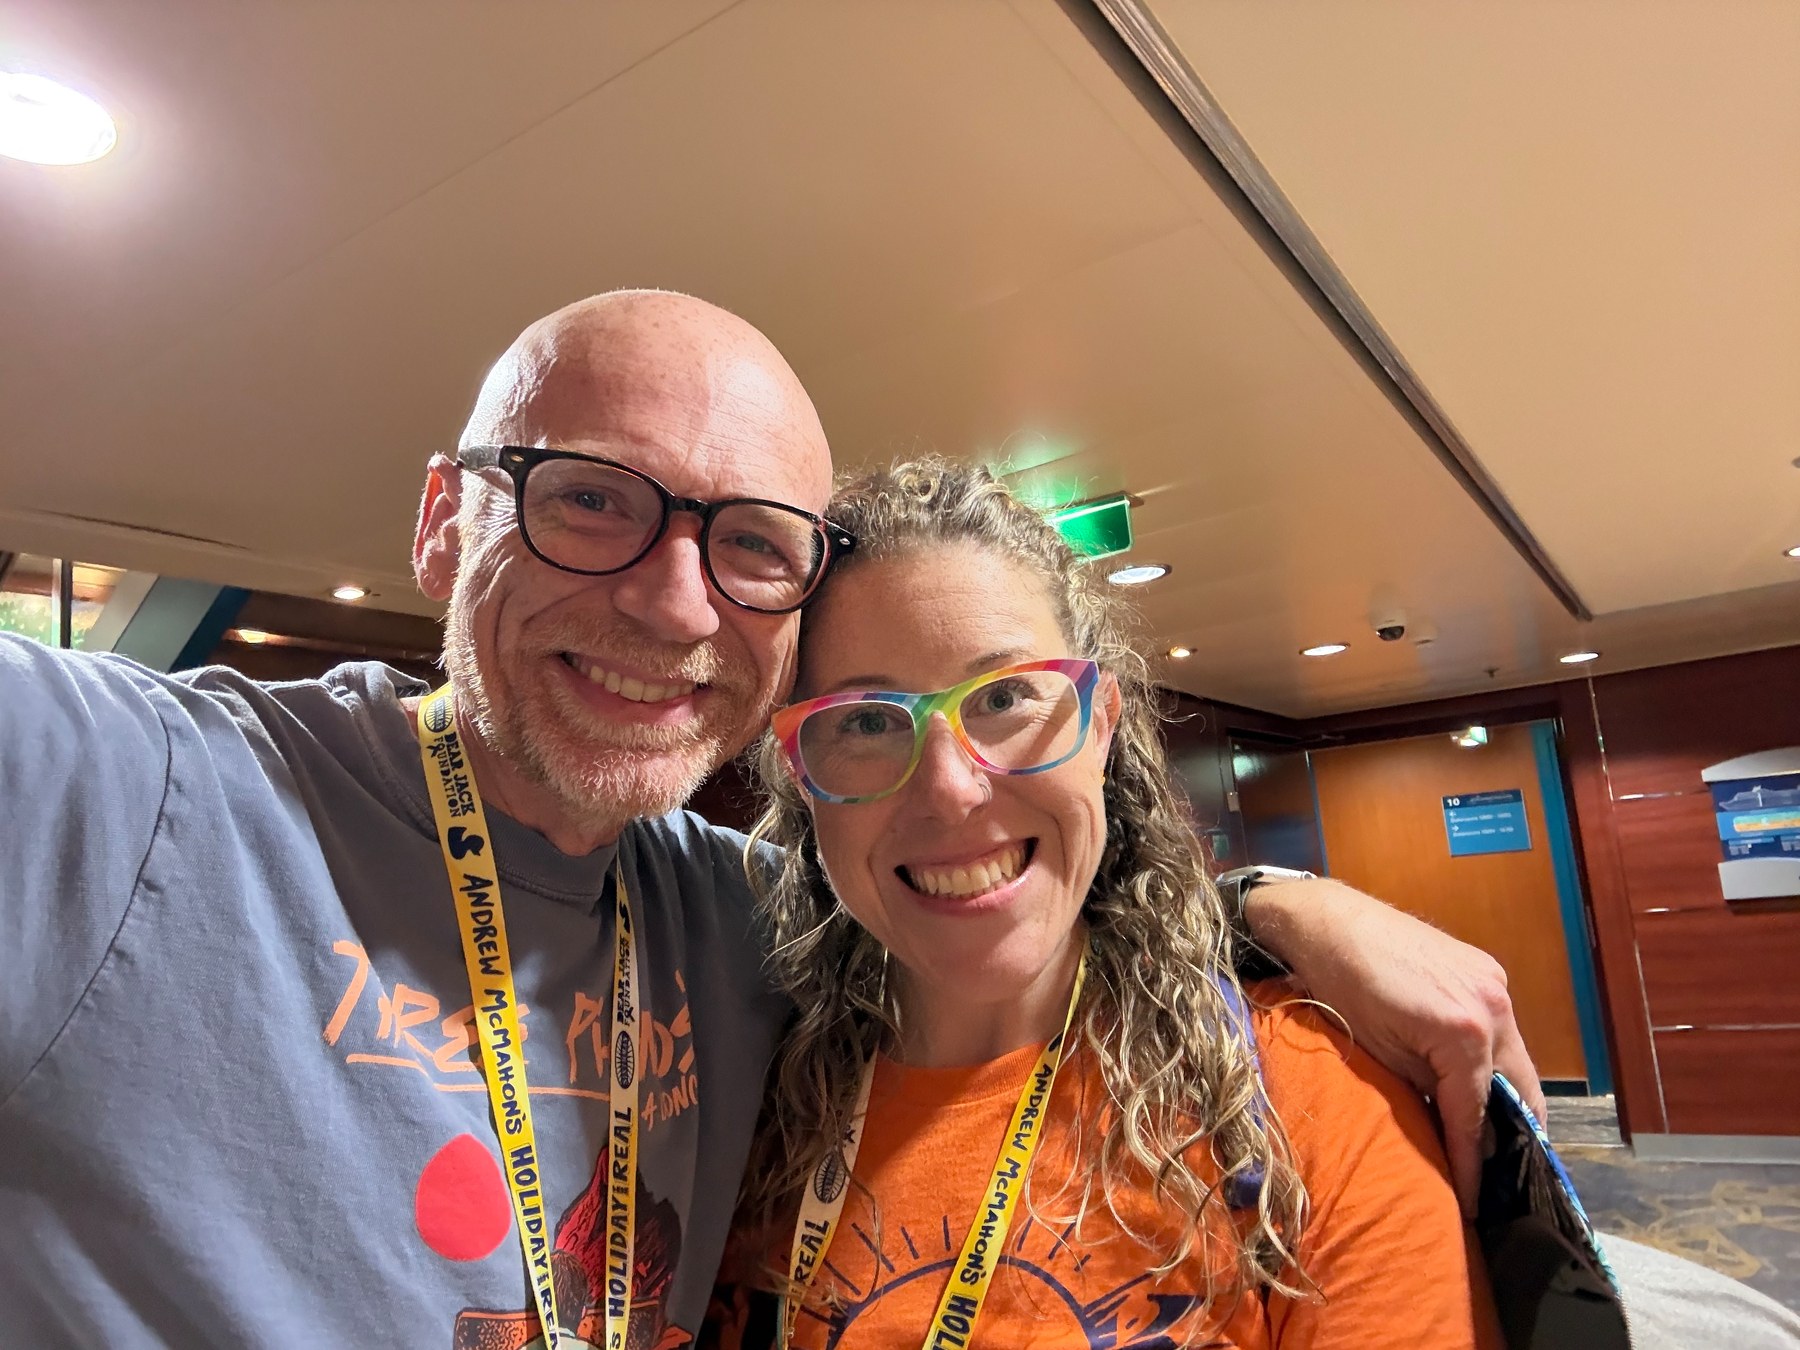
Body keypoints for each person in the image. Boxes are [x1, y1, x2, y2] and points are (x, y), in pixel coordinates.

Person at [1, 291, 1540, 1348]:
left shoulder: (734, 932)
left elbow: (995, 884)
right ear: (442, 523)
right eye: (590, 496)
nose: (674, 602)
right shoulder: (128, 789)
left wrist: (1273, 905)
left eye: (748, 542)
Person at [704, 458, 1503, 1349]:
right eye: (864, 720)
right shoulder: (736, 1113)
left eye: (1004, 696)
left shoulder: (1312, 1104)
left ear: (1102, 724)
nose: (951, 792)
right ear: (800, 776)